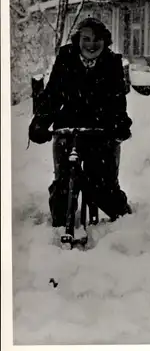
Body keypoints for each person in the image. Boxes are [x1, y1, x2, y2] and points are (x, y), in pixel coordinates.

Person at [28, 17, 132, 229]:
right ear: (78, 40)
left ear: (105, 41)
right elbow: (52, 95)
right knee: (63, 185)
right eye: (86, 39)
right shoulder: (66, 58)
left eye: (97, 39)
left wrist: (120, 124)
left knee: (103, 186)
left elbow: (117, 99)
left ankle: (126, 225)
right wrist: (40, 122)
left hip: (100, 127)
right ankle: (59, 225)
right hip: (68, 125)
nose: (91, 45)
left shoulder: (112, 63)